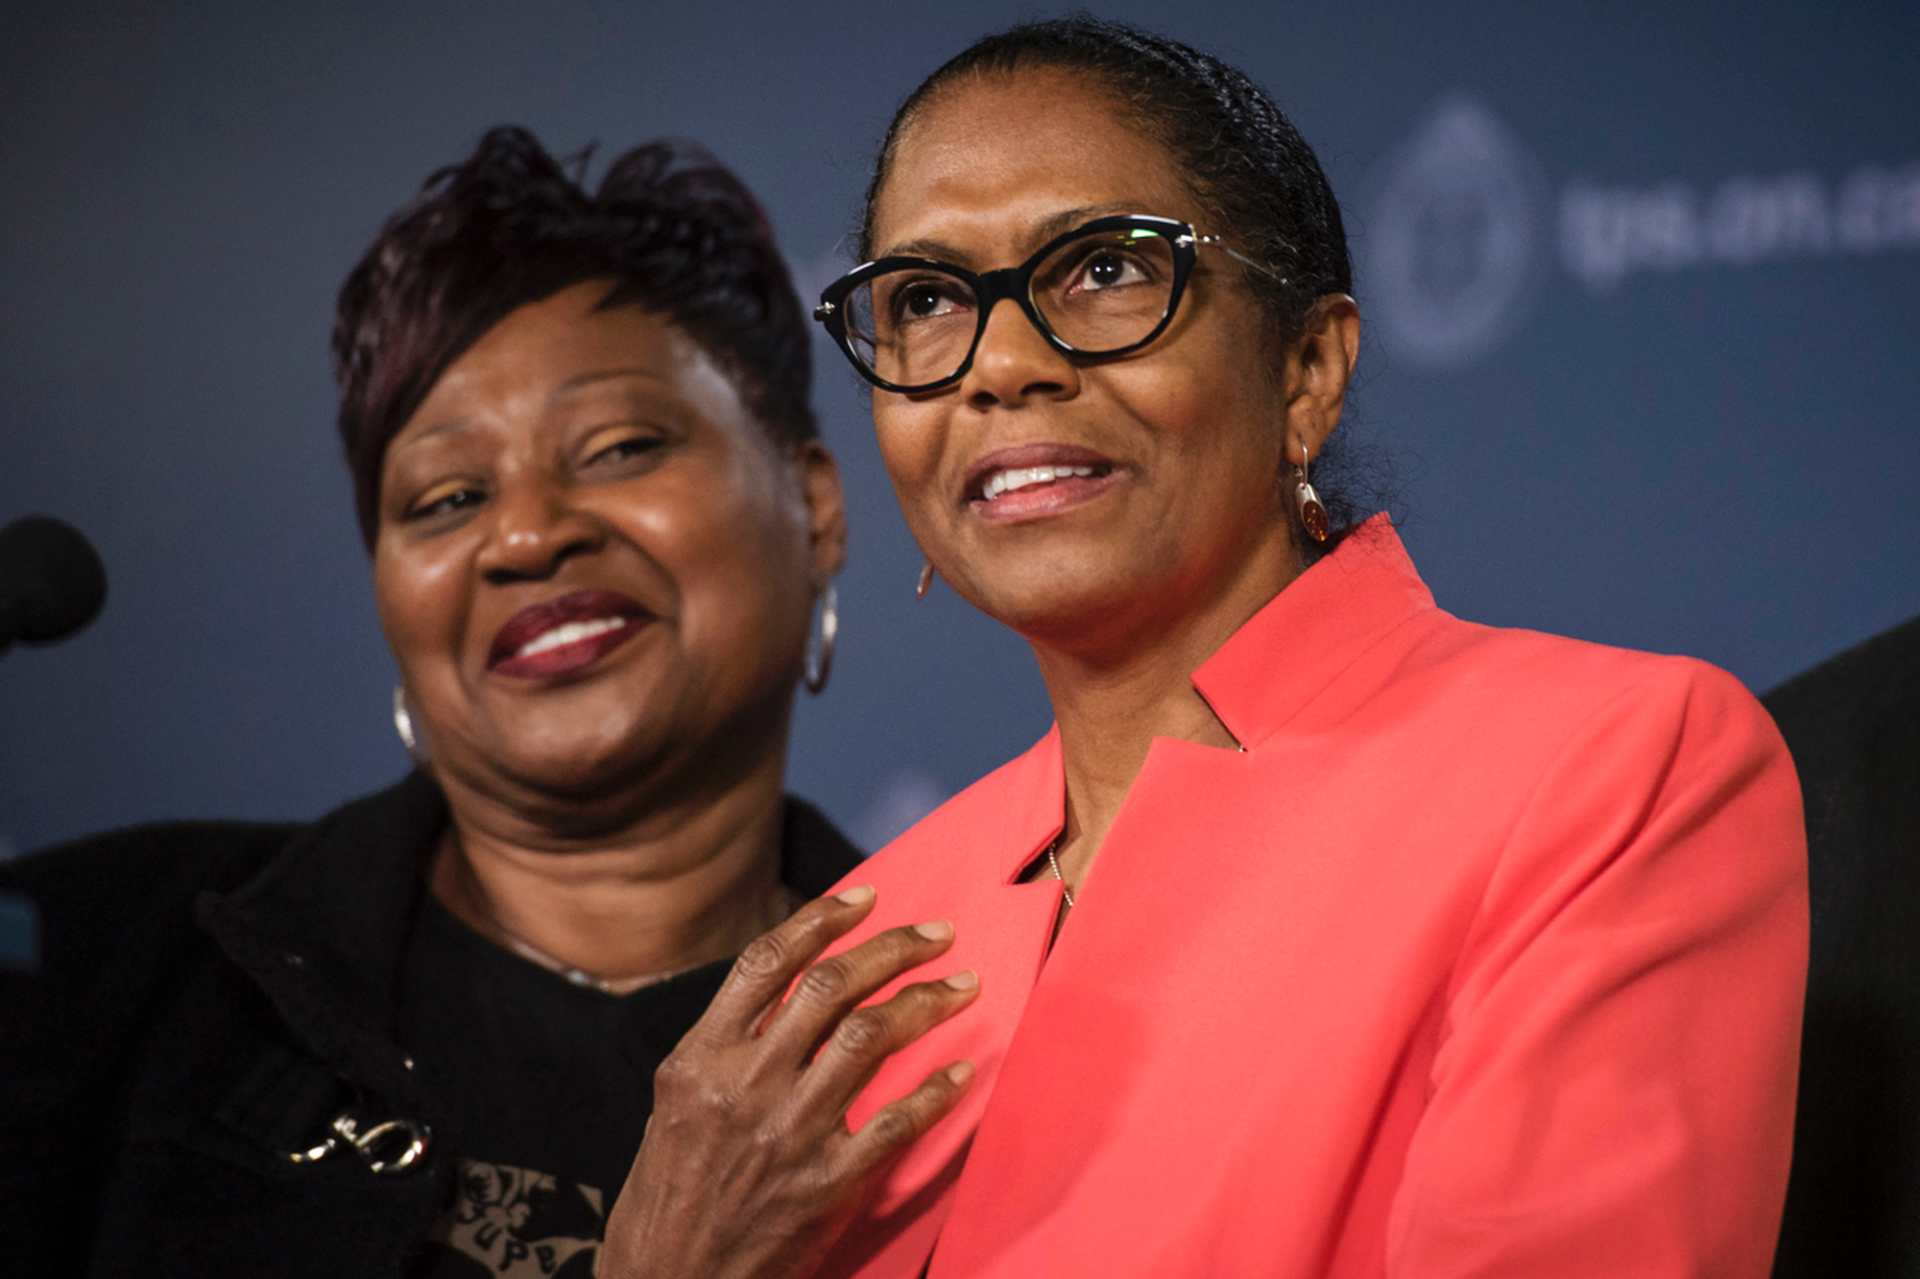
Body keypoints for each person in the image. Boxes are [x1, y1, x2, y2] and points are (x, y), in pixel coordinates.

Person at [600, 17, 1808, 1279]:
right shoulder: (864, 945)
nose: (999, 364)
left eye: (1106, 271)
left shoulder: (1609, 772)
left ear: (1306, 370)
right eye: (926, 301)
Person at [0, 126, 969, 1278]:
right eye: (447, 497)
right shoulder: (81, 967)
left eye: (617, 447)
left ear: (816, 506)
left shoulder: (965, 1048)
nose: (523, 533)